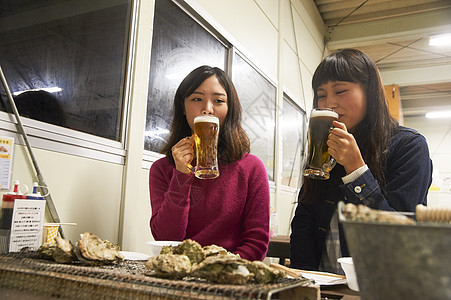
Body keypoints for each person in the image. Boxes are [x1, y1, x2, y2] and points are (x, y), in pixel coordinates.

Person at [290, 49, 432, 274]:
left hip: (380, 285)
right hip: (324, 286)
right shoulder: (324, 147)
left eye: (341, 91)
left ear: (370, 92)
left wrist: (356, 170)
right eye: (321, 94)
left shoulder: (409, 146)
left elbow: (402, 236)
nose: (329, 103)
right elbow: (303, 223)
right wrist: (306, 279)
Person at [149, 65, 270, 261]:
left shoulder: (251, 168)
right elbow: (166, 239)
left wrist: (216, 269)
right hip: (180, 274)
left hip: (230, 276)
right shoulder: (162, 169)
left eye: (218, 101)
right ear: (183, 106)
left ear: (230, 109)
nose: (207, 109)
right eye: (197, 99)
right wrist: (181, 174)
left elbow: (256, 244)